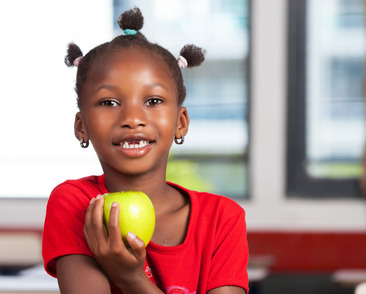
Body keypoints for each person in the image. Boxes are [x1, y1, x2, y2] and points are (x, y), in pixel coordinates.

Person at [42, 7, 249, 294]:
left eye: (152, 101)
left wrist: (132, 279)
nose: (132, 118)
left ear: (181, 122)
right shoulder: (77, 204)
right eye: (109, 103)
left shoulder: (222, 219)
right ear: (81, 126)